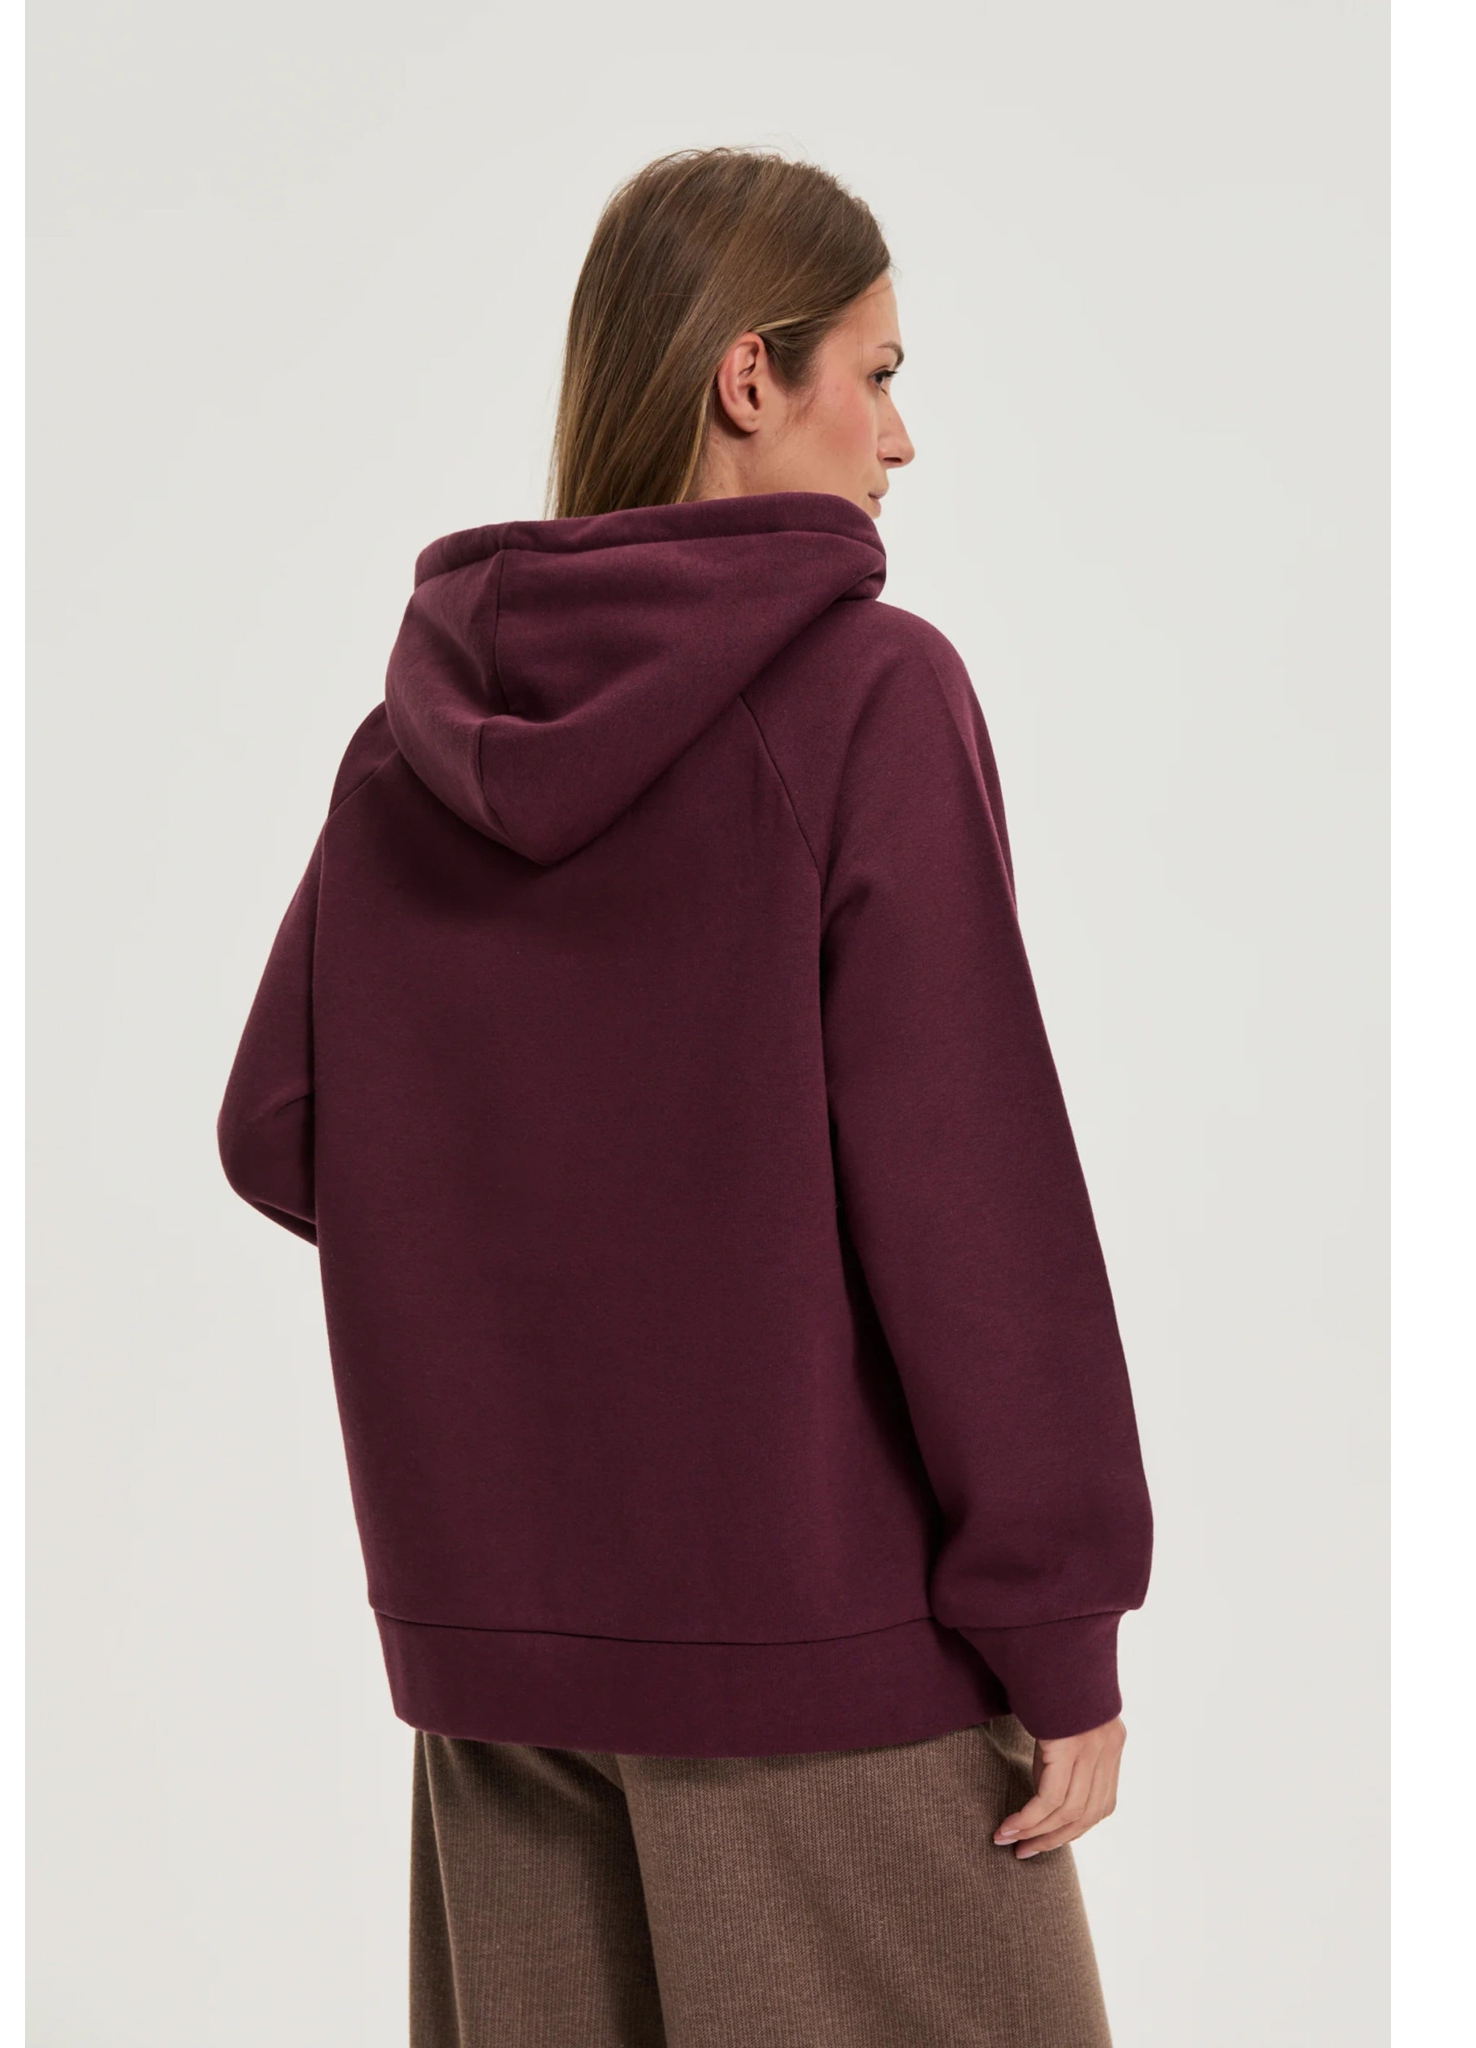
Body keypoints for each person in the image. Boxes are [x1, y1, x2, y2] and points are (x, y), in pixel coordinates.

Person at [217, 146, 1154, 2048]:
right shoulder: (868, 693)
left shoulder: (410, 747)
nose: (901, 437)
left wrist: (526, 1247)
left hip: (502, 1686)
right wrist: (1059, 1617)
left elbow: (283, 1127)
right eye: (876, 374)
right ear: (750, 377)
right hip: (823, 1667)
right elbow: (966, 1194)